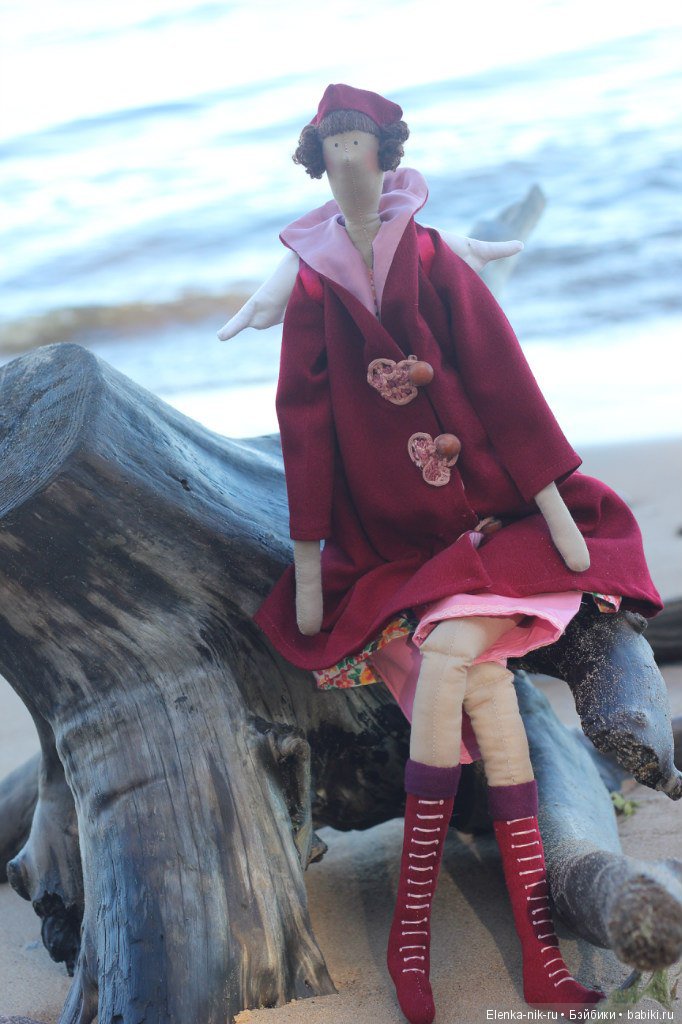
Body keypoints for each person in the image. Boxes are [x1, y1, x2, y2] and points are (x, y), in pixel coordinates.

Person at [221, 84, 662, 1024]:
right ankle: (529, 956)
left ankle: (412, 936)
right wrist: (310, 557)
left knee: (457, 650)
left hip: (499, 521)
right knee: (485, 689)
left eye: (360, 145)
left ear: (385, 154)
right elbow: (304, 424)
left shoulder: (428, 255)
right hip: (392, 541)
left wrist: (554, 502)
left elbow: (503, 379)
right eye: (332, 146)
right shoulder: (314, 284)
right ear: (318, 160)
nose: (348, 160)